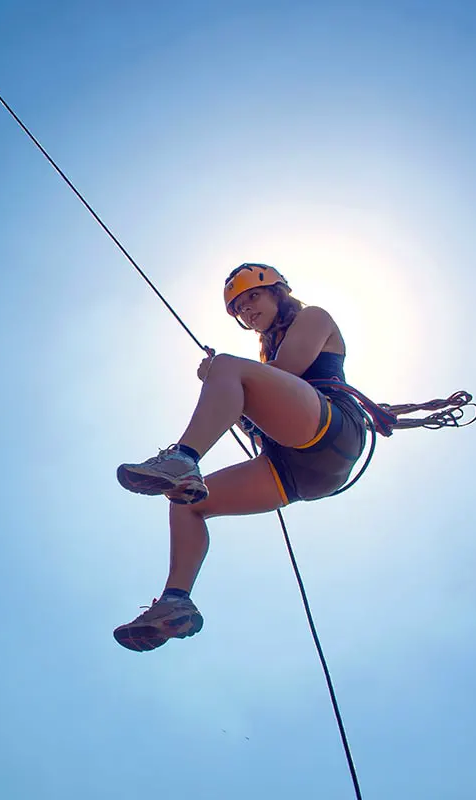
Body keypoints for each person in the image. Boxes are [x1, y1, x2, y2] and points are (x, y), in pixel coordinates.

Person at [112, 264, 368, 652]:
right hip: (297, 468)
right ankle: (174, 602)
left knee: (228, 364)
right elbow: (260, 413)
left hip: (333, 430)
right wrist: (227, 384)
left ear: (278, 292)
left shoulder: (315, 317)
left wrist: (224, 376)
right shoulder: (266, 356)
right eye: (239, 308)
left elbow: (289, 373)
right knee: (185, 503)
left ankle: (182, 458)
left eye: (253, 297)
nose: (247, 310)